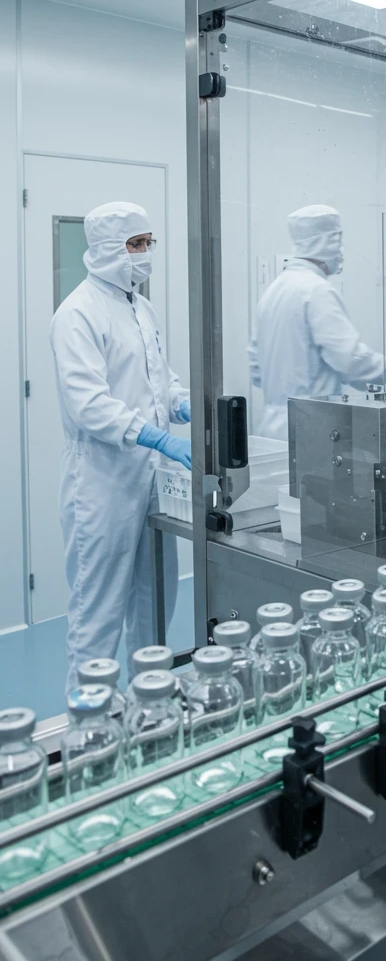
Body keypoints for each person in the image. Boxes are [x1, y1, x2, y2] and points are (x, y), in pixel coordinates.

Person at [49, 202, 190, 687]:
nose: (145, 254)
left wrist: (187, 404)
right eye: (136, 244)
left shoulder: (140, 306)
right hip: (102, 482)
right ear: (107, 248)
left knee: (156, 600)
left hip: (150, 478)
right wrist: (154, 436)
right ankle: (93, 730)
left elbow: (159, 381)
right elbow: (89, 403)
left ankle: (148, 709)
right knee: (99, 610)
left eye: (149, 242)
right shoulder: (77, 313)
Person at [248, 205, 386, 439]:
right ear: (325, 243)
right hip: (313, 425)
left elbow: (256, 368)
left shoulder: (273, 291)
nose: (341, 249)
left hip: (273, 427)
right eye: (338, 240)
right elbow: (349, 359)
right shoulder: (317, 290)